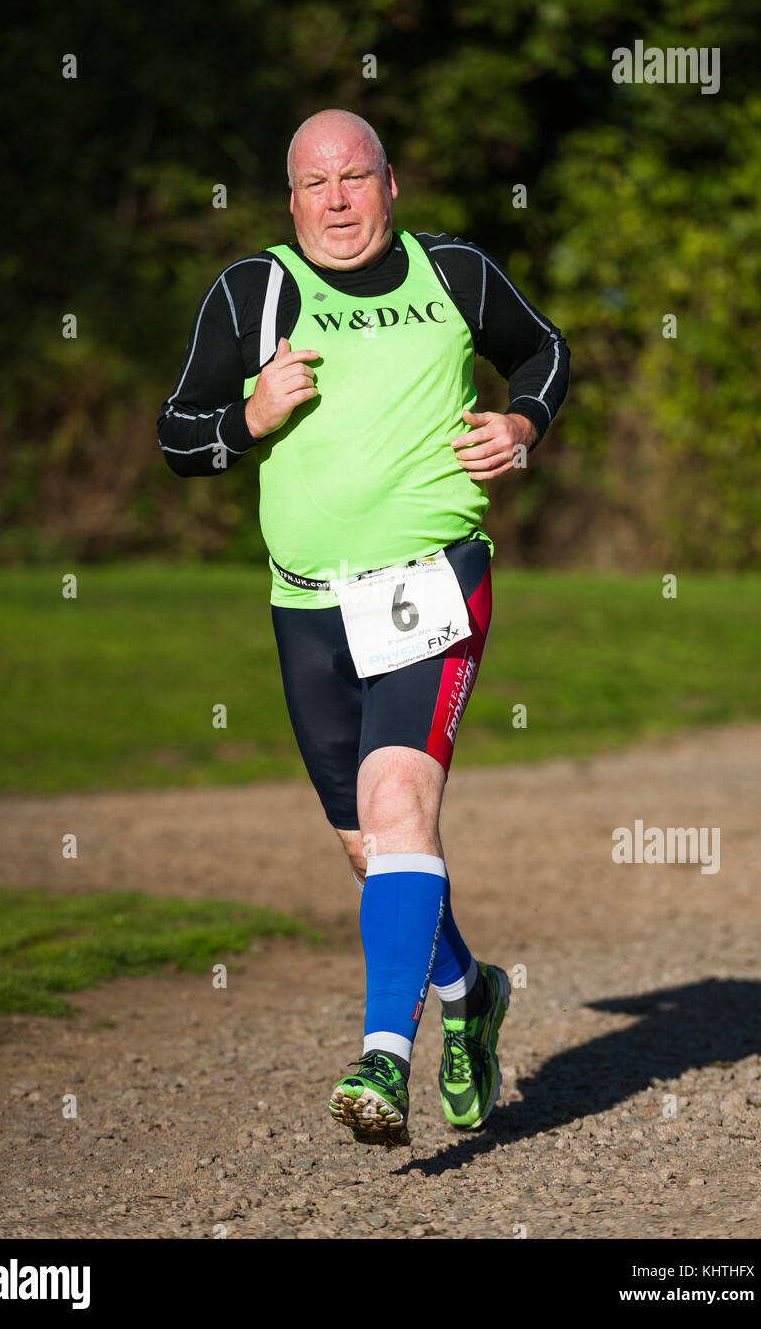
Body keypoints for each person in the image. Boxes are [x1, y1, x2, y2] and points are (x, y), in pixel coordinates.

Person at [158, 109, 570, 1148]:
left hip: (434, 584)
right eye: (314, 185)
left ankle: (382, 1056)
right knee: (370, 844)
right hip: (306, 606)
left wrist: (519, 427)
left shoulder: (456, 273)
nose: (337, 201)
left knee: (398, 800)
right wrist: (246, 420)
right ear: (289, 202)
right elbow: (177, 436)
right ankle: (472, 994)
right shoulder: (256, 292)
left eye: (355, 177)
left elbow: (546, 354)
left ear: (391, 181)